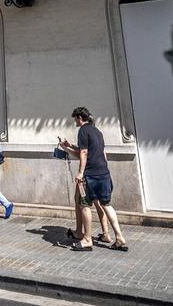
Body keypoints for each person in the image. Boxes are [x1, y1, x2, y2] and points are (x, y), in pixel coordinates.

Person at [57, 107, 128, 251]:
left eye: (75, 118)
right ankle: (119, 237)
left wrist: (80, 173)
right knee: (106, 204)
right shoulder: (97, 132)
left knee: (84, 205)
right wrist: (69, 147)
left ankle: (87, 239)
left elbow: (83, 152)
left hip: (90, 176)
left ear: (79, 118)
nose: (75, 121)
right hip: (103, 173)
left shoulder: (82, 131)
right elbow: (94, 151)